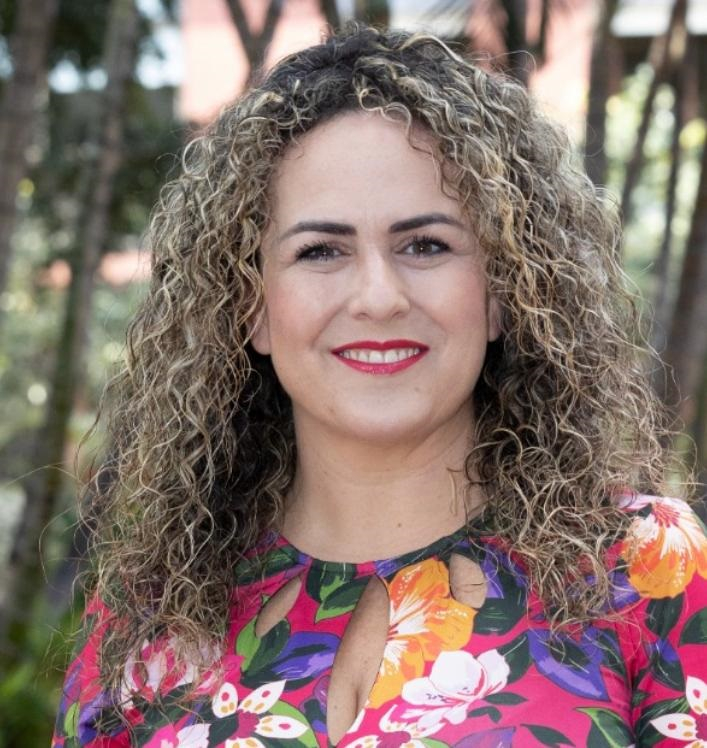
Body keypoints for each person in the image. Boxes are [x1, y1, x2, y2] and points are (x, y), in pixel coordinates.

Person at [52, 24, 707, 748]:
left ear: (503, 291)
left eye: (425, 245)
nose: (378, 297)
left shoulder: (645, 568)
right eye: (320, 251)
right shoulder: (149, 617)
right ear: (251, 307)